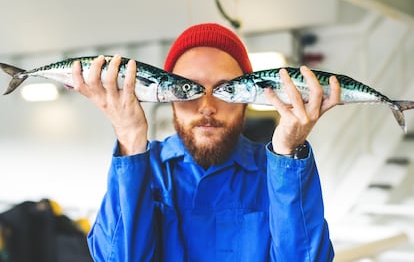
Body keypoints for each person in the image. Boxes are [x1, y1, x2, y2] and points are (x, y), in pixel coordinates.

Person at [72, 23, 340, 261]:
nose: (207, 106)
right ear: (168, 96)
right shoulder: (145, 167)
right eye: (189, 89)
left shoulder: (276, 171)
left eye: (226, 89)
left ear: (247, 98)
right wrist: (129, 136)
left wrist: (289, 152)